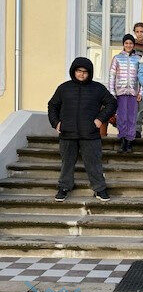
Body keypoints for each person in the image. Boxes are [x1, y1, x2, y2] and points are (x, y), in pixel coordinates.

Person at [47, 57, 117, 202]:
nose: (82, 74)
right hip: (67, 133)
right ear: (74, 71)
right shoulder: (64, 88)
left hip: (90, 134)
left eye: (85, 72)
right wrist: (56, 123)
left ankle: (99, 189)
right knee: (67, 163)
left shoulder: (97, 88)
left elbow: (112, 103)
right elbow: (52, 105)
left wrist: (100, 119)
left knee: (94, 163)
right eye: (79, 71)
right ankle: (64, 187)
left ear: (89, 73)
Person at [109, 34, 142, 153]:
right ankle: (122, 140)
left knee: (132, 117)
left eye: (131, 43)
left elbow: (142, 76)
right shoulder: (117, 58)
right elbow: (112, 75)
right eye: (126, 43)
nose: (128, 45)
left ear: (133, 44)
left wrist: (141, 92)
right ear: (123, 44)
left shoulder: (138, 59)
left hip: (133, 92)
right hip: (120, 92)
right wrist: (112, 92)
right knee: (122, 117)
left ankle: (129, 141)